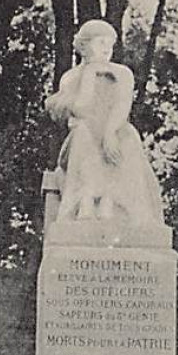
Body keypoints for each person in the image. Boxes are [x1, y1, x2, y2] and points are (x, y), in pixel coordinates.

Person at [46, 19, 165, 227]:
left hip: (114, 133)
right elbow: (80, 109)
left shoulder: (122, 74)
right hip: (79, 142)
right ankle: (85, 201)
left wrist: (110, 132)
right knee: (83, 133)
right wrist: (90, 74)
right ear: (84, 46)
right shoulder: (71, 77)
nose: (106, 50)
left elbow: (122, 106)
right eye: (100, 43)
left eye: (110, 45)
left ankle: (111, 201)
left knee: (128, 137)